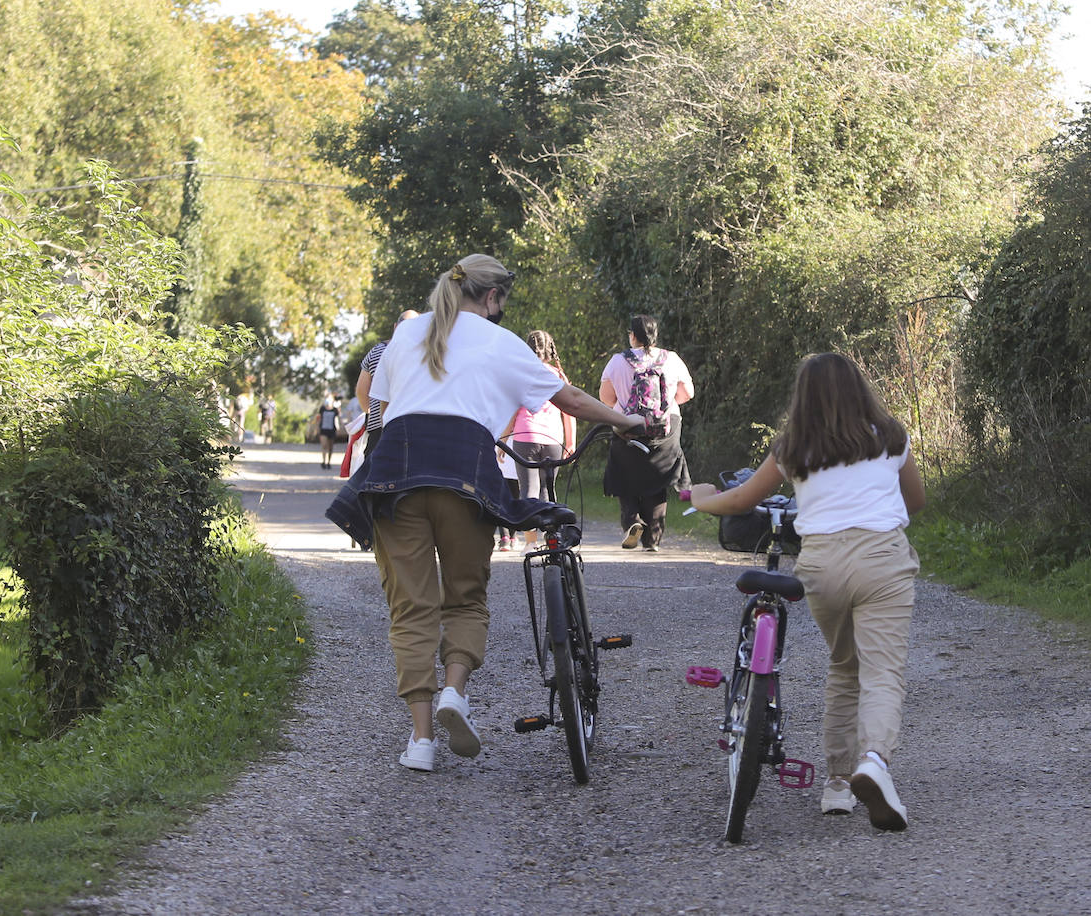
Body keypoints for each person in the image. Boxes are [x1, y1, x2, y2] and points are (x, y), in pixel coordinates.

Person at [326, 254, 646, 773]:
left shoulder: (407, 337)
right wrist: (623, 420)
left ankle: (422, 741)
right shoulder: (504, 343)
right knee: (466, 599)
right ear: (493, 298)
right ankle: (455, 690)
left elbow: (378, 407)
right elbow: (571, 398)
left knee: (411, 610)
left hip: (396, 473)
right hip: (465, 475)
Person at [689, 352, 925, 831]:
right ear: (859, 388)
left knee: (843, 666)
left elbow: (741, 500)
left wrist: (699, 496)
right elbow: (915, 500)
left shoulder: (793, 447)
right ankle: (874, 760)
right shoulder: (891, 436)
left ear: (805, 397)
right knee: (881, 672)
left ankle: (838, 783)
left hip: (822, 563)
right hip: (882, 559)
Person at [599, 314, 694, 551]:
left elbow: (606, 399)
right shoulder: (671, 359)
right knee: (657, 480)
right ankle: (653, 538)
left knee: (625, 476)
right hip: (665, 428)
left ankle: (633, 521)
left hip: (627, 426)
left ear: (632, 335)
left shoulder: (617, 361)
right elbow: (687, 394)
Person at [499, 330, 575, 549]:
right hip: (553, 438)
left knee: (528, 490)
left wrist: (504, 440)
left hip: (526, 436)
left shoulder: (522, 374)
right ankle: (551, 539)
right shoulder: (558, 375)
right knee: (547, 489)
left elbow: (514, 410)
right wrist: (570, 441)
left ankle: (530, 543)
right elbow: (569, 411)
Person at [356, 309, 421, 458]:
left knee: (375, 475)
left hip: (378, 427)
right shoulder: (424, 354)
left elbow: (361, 390)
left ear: (395, 326)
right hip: (411, 426)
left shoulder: (378, 351)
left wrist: (371, 411)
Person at [313, 394, 340, 469]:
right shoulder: (322, 409)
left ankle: (329, 462)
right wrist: (317, 428)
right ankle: (323, 461)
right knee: (324, 445)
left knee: (330, 447)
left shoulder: (335, 410)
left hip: (332, 430)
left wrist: (338, 428)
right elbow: (319, 418)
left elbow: (337, 419)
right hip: (323, 429)